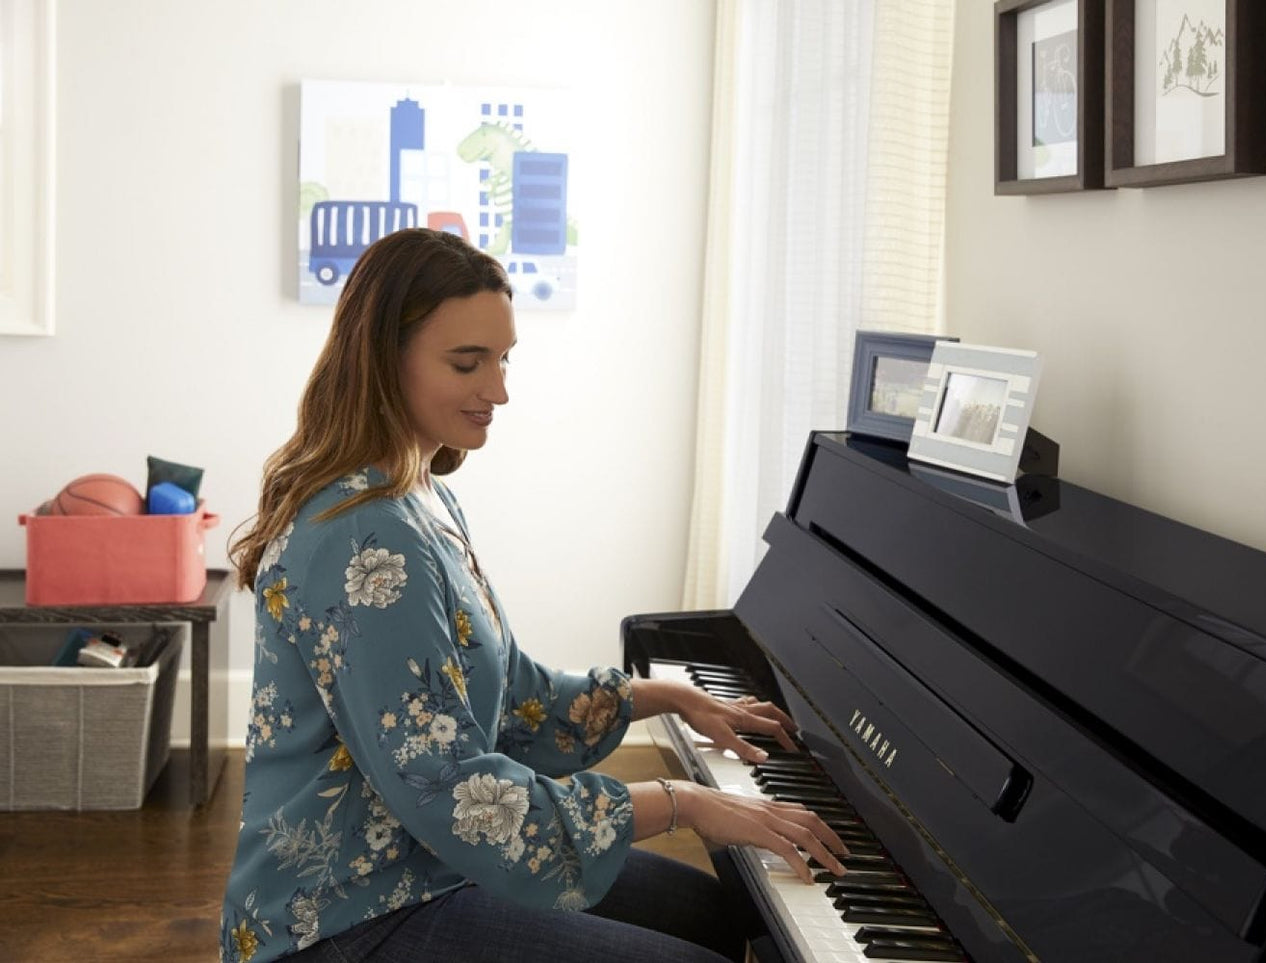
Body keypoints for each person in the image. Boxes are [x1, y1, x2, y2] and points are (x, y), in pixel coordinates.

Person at [220, 228, 847, 963]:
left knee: (714, 912)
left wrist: (671, 696)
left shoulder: (419, 495)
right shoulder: (366, 539)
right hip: (346, 913)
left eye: (503, 357)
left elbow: (513, 694)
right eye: (467, 362)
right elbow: (454, 792)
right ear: (383, 360)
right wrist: (685, 803)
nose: (500, 389)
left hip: (425, 862)